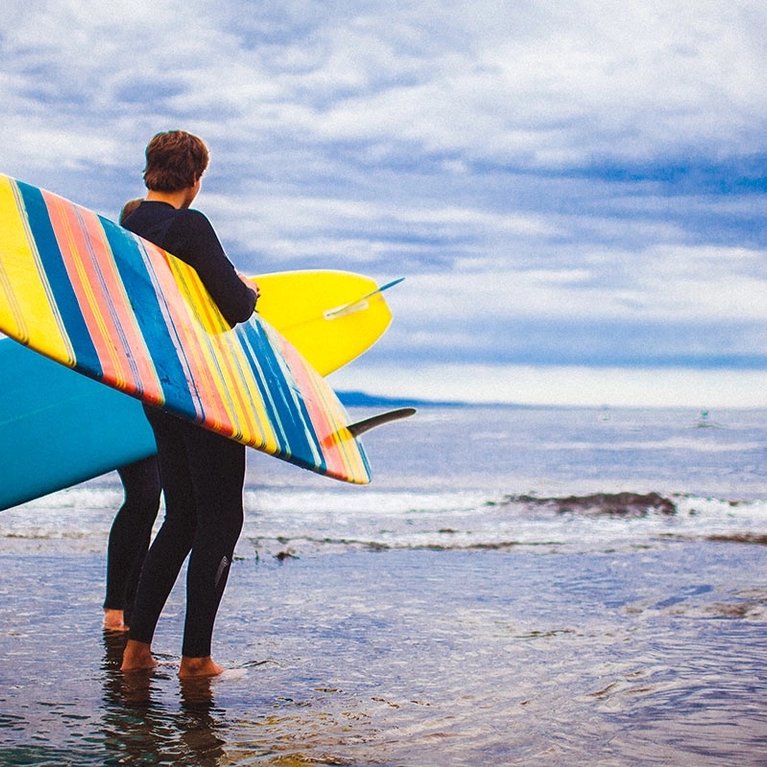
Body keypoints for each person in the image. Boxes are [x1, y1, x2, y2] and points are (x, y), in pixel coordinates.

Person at [120, 130, 258, 678]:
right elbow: (234, 305)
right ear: (195, 180)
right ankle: (196, 659)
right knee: (222, 520)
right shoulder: (189, 224)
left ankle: (136, 649)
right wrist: (248, 289)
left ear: (151, 169)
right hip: (205, 389)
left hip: (158, 388)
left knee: (179, 518)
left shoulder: (128, 225)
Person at [103, 199, 162, 634]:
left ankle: (129, 606)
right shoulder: (112, 279)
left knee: (151, 499)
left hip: (157, 400)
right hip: (121, 400)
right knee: (143, 496)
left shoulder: (159, 281)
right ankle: (115, 609)